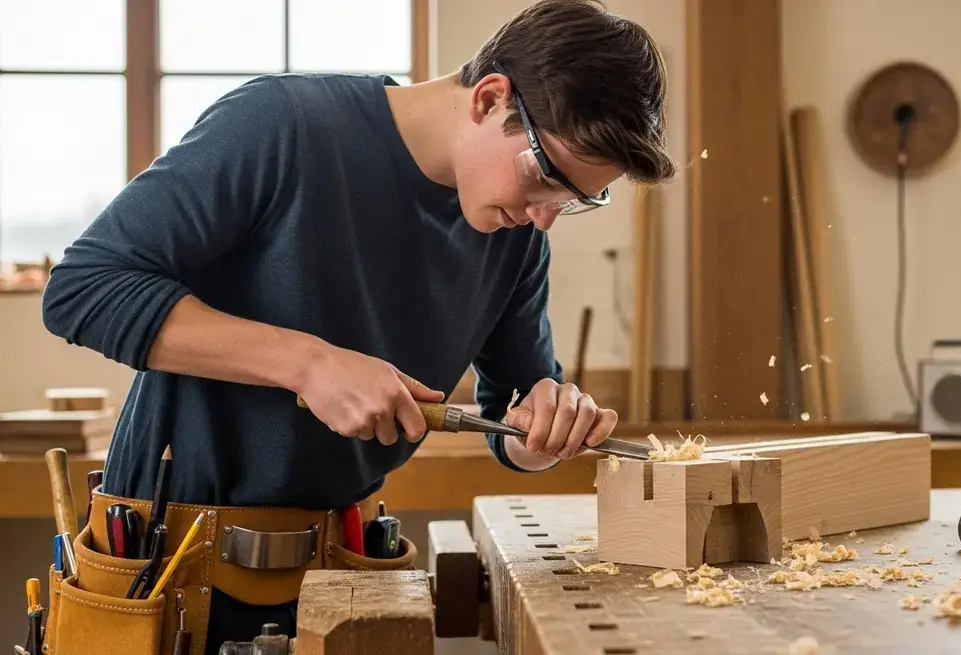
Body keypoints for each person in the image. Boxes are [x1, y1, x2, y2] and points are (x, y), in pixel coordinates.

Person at [39, 0, 674, 651]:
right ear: (488, 99)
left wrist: (538, 434)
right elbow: (84, 287)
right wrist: (308, 364)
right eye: (545, 177)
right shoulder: (285, 125)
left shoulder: (512, 239)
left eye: (574, 201)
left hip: (345, 577)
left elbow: (513, 411)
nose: (544, 217)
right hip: (170, 577)